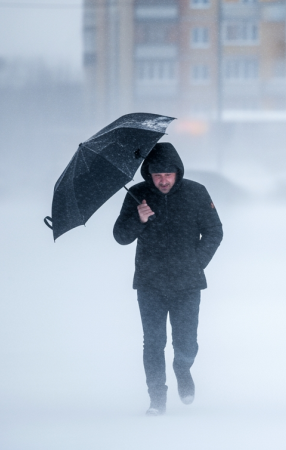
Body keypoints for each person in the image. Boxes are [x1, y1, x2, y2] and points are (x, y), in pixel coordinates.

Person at [113, 142, 223, 416]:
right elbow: (120, 236)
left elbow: (214, 232)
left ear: (177, 173)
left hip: (187, 283)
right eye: (156, 175)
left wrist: (196, 263)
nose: (162, 181)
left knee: (186, 342)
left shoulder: (196, 193)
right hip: (150, 282)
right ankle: (156, 398)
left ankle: (182, 369)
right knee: (153, 341)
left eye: (167, 175)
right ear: (148, 174)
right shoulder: (138, 195)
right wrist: (138, 219)